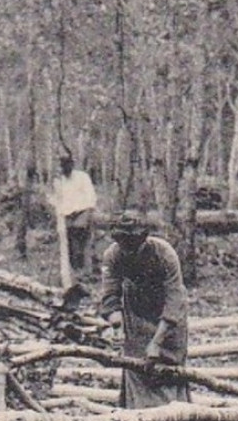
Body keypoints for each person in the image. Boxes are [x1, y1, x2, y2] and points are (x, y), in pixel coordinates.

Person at [100, 210, 190, 408]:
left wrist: (157, 341)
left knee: (168, 365)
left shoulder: (164, 253)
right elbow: (110, 294)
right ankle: (139, 417)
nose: (128, 250)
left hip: (167, 311)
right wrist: (117, 329)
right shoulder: (112, 255)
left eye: (133, 245)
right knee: (136, 363)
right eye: (123, 245)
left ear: (143, 239)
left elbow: (175, 297)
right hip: (136, 310)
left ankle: (174, 416)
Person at [50, 154, 97, 280]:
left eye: (67, 165)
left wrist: (88, 213)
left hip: (83, 211)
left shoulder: (82, 177)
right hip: (67, 215)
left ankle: (87, 272)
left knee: (83, 242)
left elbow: (91, 196)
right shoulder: (59, 181)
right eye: (63, 166)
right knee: (71, 245)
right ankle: (75, 271)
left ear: (72, 165)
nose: (65, 168)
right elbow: (56, 199)